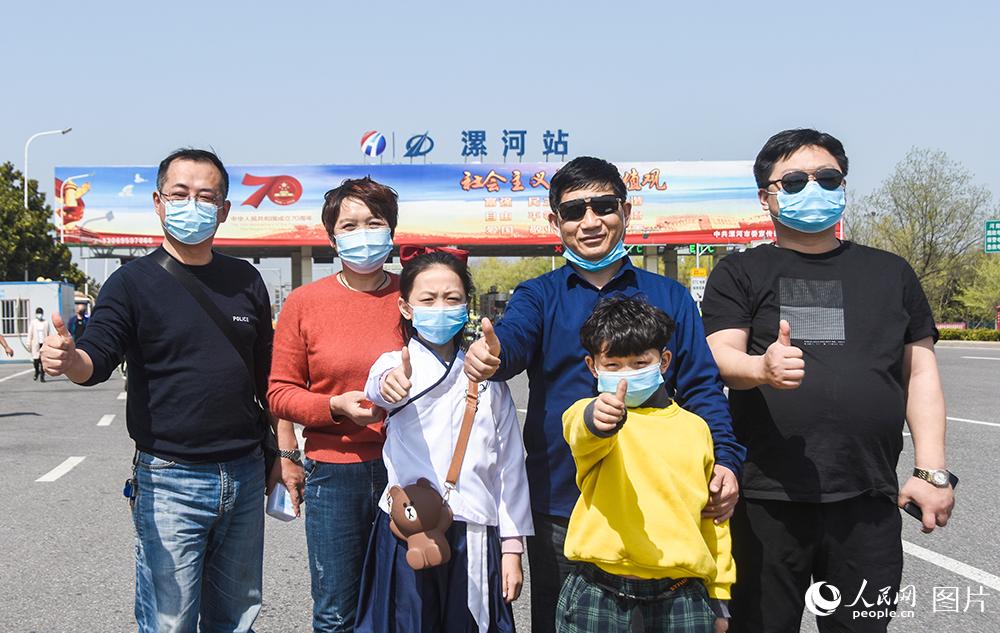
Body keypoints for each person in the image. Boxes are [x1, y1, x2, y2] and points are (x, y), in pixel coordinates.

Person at [464, 156, 745, 632]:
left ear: (626, 211)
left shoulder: (670, 296)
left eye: (603, 206)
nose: (590, 221)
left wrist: (726, 463)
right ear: (556, 222)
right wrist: (490, 357)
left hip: (658, 501)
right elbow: (509, 343)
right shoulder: (538, 295)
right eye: (574, 211)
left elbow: (702, 386)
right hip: (563, 505)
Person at [701, 128, 955, 633]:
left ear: (843, 185)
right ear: (765, 196)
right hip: (765, 502)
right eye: (792, 181)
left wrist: (932, 472)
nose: (811, 188)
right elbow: (720, 356)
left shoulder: (891, 273)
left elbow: (920, 372)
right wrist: (761, 368)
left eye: (826, 177)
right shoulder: (740, 272)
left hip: (867, 498)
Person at [40, 148, 275, 633]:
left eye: (206, 196)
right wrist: (70, 360)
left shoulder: (246, 280)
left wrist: (282, 453)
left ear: (225, 209)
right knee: (169, 622)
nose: (194, 204)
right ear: (158, 202)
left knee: (238, 618)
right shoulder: (130, 283)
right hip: (170, 478)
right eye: (181, 194)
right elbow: (97, 359)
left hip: (246, 472)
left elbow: (268, 378)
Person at [355, 248, 533, 633]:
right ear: (405, 307)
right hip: (409, 529)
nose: (440, 308)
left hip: (474, 530)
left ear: (466, 306)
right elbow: (380, 388)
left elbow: (510, 467)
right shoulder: (393, 363)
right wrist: (390, 386)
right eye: (428, 299)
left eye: (452, 299)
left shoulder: (489, 377)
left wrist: (512, 549)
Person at [267, 176, 404, 633]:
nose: (363, 232)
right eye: (350, 224)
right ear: (332, 237)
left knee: (405, 599)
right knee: (336, 611)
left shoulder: (415, 297)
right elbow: (281, 391)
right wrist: (334, 408)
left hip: (409, 467)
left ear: (391, 231)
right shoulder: (305, 303)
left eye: (374, 221)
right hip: (334, 471)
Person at [558, 296, 733, 633]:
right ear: (592, 367)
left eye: (640, 363)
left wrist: (719, 596)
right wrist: (598, 416)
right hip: (597, 590)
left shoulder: (696, 429)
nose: (626, 375)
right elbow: (581, 429)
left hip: (681, 594)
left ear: (663, 360)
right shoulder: (587, 415)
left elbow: (714, 520)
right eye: (613, 365)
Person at [28, 307, 52, 381]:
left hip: (43, 343)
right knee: (36, 360)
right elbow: (30, 334)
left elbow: (48, 333)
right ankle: (36, 371)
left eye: (40, 313)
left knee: (42, 361)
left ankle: (42, 376)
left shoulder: (46, 323)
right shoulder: (33, 323)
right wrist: (29, 343)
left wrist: (49, 343)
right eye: (38, 313)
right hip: (36, 343)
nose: (39, 315)